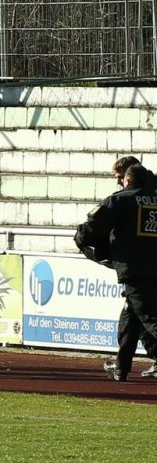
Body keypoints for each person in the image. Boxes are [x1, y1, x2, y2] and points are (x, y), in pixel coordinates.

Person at [75, 159, 157, 381]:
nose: (119, 182)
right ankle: (121, 367)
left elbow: (90, 230)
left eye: (120, 178)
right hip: (151, 267)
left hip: (135, 269)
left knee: (150, 318)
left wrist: (81, 238)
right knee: (132, 318)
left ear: (128, 179)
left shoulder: (120, 200)